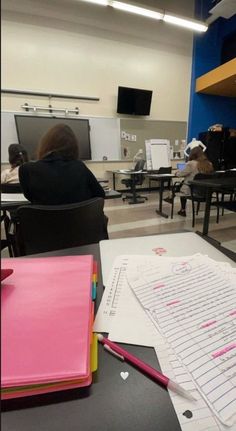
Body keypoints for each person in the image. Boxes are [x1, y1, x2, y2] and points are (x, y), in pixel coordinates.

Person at [19, 124, 105, 205]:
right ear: (73, 146)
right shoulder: (79, 167)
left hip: (43, 220)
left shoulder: (26, 170)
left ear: (45, 144)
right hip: (78, 220)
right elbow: (100, 194)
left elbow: (31, 198)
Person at [175, 146, 213, 217]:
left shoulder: (191, 163)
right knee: (183, 184)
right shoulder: (209, 164)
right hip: (206, 191)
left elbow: (181, 174)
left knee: (182, 186)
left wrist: (176, 173)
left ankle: (183, 210)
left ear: (192, 154)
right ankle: (171, 197)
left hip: (192, 190)